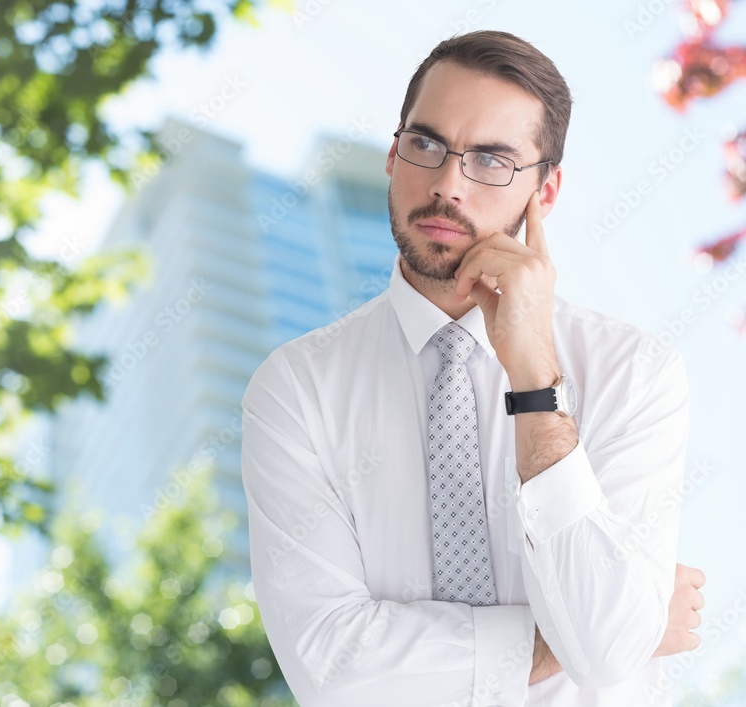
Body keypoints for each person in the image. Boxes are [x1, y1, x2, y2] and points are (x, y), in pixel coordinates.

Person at [240, 30, 706, 706]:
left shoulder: (633, 372)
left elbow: (605, 648)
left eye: (491, 160)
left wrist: (534, 381)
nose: (448, 184)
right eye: (427, 145)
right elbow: (335, 666)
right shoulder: (296, 389)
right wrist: (575, 640)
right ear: (394, 156)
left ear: (544, 193)